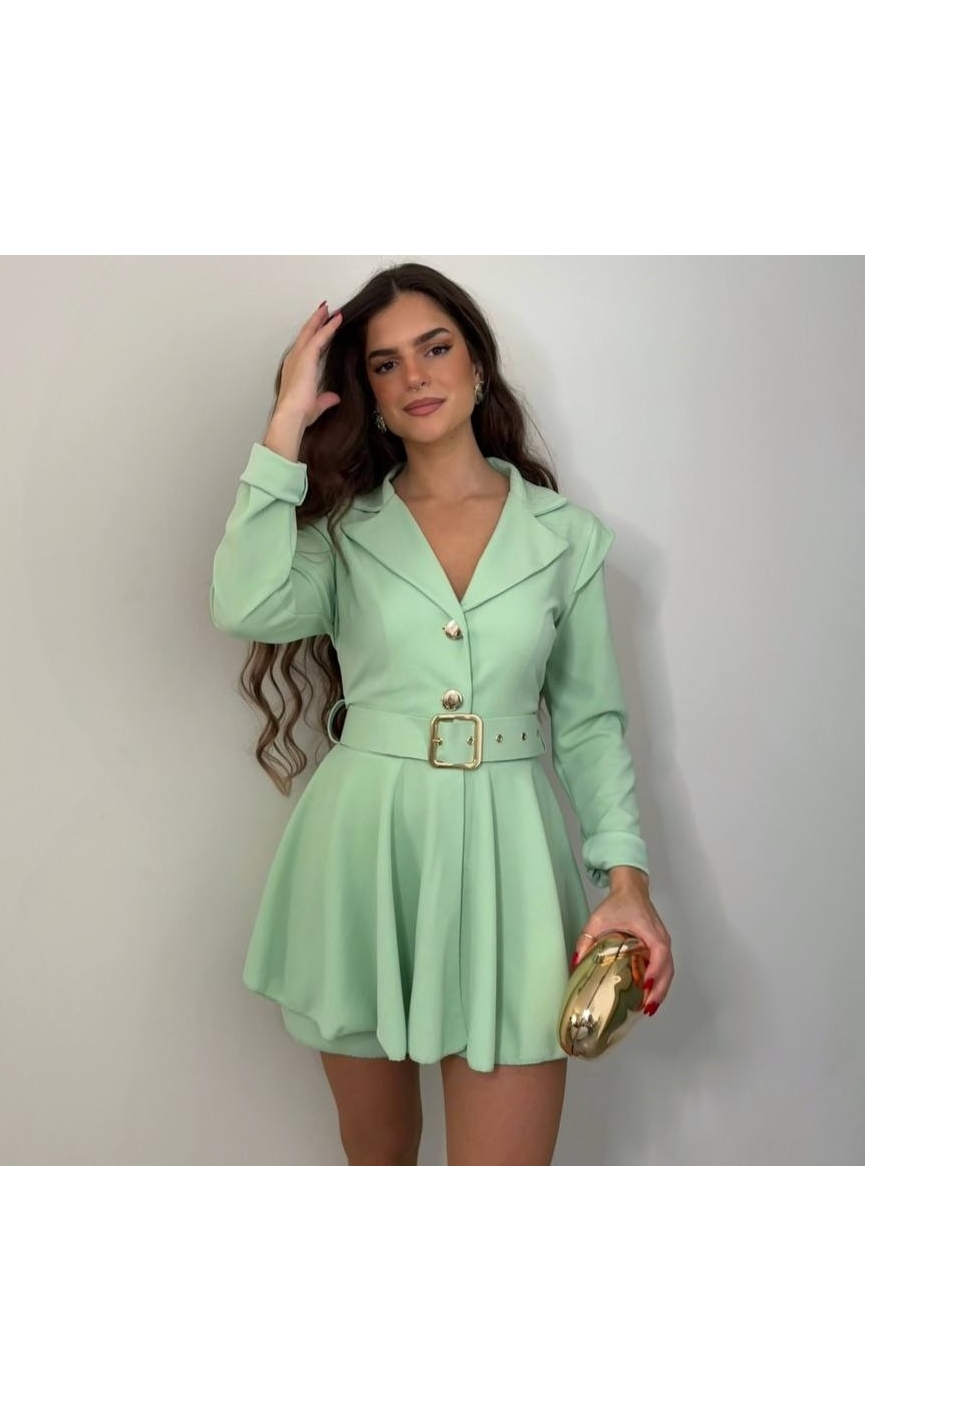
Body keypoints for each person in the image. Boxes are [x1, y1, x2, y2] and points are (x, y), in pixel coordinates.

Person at [210, 263, 673, 1166]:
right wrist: (286, 420)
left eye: (435, 348)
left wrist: (628, 882)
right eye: (384, 364)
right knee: (380, 1167)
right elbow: (244, 602)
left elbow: (588, 726)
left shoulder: (563, 537)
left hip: (513, 863)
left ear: (478, 365)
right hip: (363, 857)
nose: (415, 376)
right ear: (369, 393)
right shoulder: (343, 533)